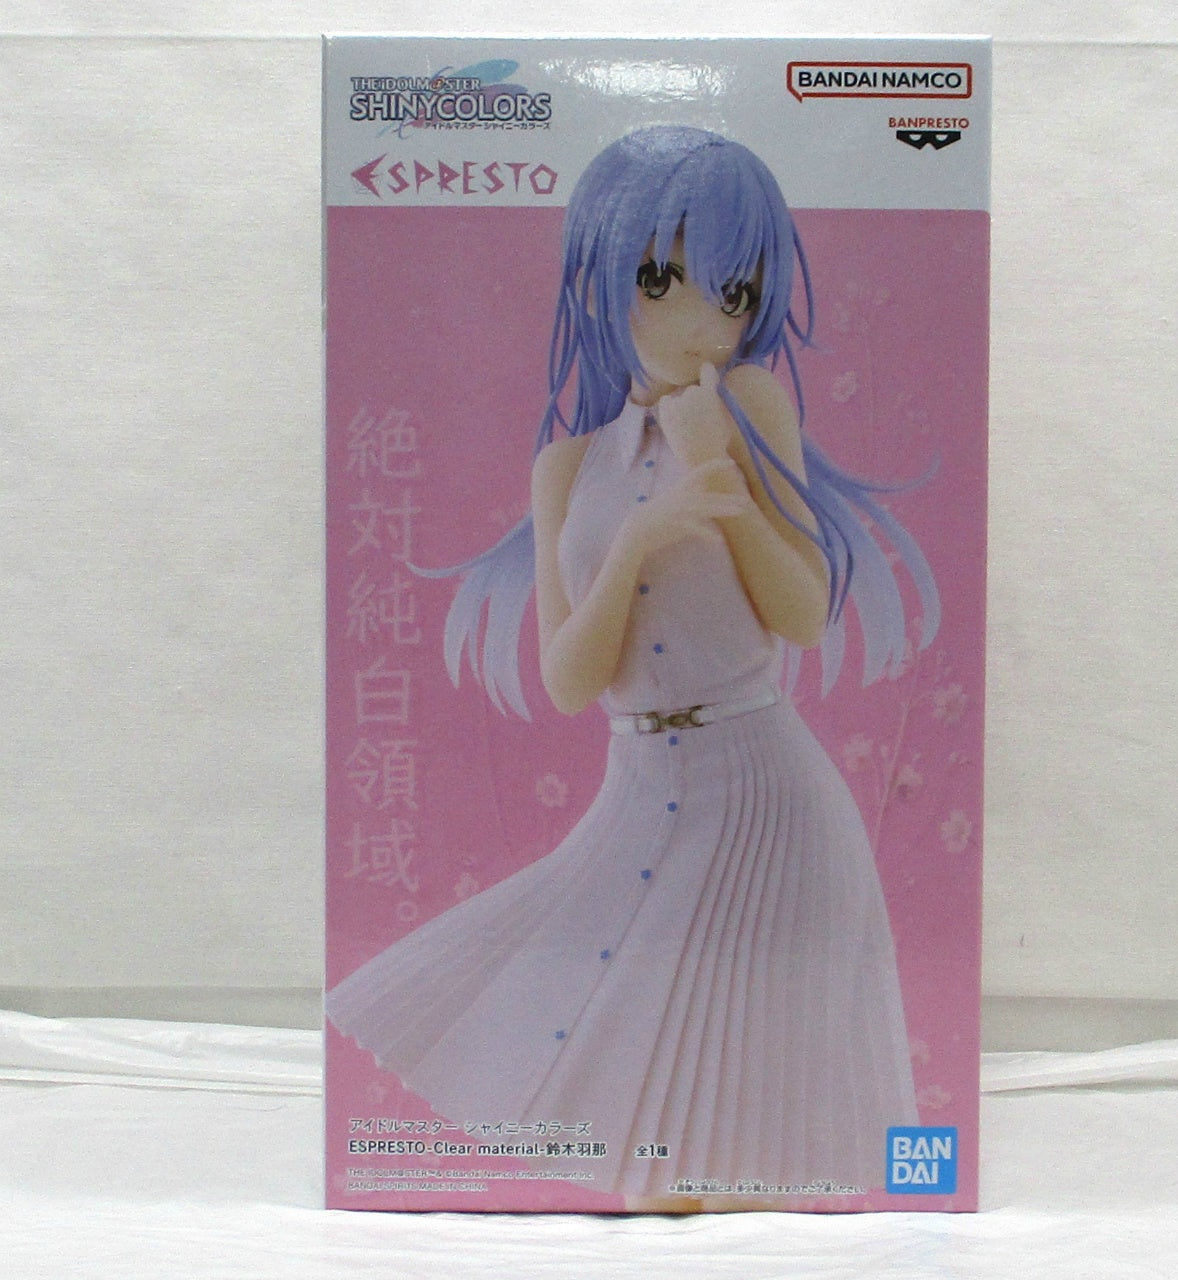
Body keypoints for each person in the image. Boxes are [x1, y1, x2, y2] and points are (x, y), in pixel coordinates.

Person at [328, 125, 939, 1206]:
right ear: (602, 277)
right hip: (634, 790)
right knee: (605, 1058)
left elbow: (801, 612)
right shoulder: (567, 468)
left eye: (731, 291)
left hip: (766, 801)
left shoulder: (749, 407)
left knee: (742, 1122)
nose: (699, 320)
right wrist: (638, 541)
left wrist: (722, 477)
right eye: (659, 281)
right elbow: (571, 680)